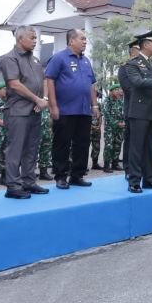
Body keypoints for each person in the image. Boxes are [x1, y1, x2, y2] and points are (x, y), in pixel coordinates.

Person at [0, 25, 50, 199]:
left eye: (36, 38)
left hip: (35, 110)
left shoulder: (35, 60)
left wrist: (43, 99)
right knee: (15, 149)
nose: (35, 41)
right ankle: (12, 185)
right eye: (32, 38)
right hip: (18, 111)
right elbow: (14, 84)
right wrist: (36, 99)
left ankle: (29, 181)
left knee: (31, 148)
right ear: (20, 38)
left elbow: (43, 80)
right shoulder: (10, 58)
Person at [45, 28, 96, 190]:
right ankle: (60, 176)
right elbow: (49, 80)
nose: (85, 42)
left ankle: (77, 175)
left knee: (82, 143)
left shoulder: (86, 61)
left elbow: (92, 84)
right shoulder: (59, 58)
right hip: (65, 109)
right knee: (62, 143)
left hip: (84, 109)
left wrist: (94, 105)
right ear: (71, 41)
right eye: (82, 39)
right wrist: (53, 105)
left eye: (85, 39)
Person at [123, 30, 152, 193]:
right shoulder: (133, 63)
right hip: (139, 111)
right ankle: (134, 181)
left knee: (151, 147)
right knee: (137, 147)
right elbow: (136, 82)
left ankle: (149, 178)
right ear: (145, 45)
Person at [118, 38, 141, 179]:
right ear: (134, 51)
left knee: (144, 141)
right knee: (131, 140)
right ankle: (128, 169)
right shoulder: (125, 67)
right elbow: (129, 89)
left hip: (147, 110)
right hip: (132, 109)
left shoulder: (146, 67)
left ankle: (144, 168)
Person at [103, 82, 125, 173]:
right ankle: (106, 165)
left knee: (117, 145)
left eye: (118, 89)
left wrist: (123, 122)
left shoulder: (120, 101)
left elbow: (124, 113)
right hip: (110, 128)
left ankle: (115, 163)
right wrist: (116, 123)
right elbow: (106, 113)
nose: (118, 91)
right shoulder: (107, 101)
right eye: (116, 90)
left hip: (120, 128)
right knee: (109, 146)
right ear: (111, 91)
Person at [36, 107, 55, 180]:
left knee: (45, 150)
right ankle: (28, 173)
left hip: (47, 128)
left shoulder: (46, 100)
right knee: (33, 151)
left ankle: (43, 172)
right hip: (36, 128)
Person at [89, 92, 103, 171]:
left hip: (97, 129)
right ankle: (83, 165)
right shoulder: (86, 105)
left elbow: (100, 116)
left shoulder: (98, 105)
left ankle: (95, 163)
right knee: (85, 147)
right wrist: (91, 126)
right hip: (88, 129)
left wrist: (99, 126)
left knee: (96, 146)